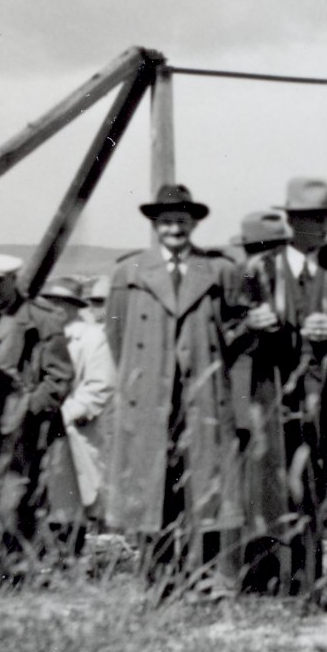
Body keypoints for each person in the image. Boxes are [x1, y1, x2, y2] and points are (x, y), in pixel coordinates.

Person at [234, 176, 327, 613]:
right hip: (280, 398)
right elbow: (229, 331)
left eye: (322, 217)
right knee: (290, 489)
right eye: (306, 218)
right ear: (290, 220)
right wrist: (252, 324)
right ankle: (300, 592)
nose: (316, 225)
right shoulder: (259, 271)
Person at [102, 184, 247, 596]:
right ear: (154, 226)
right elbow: (117, 335)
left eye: (182, 221)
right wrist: (141, 380)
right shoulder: (129, 274)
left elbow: (236, 331)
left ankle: (211, 578)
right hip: (150, 399)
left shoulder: (219, 271)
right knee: (153, 486)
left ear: (195, 223)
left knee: (207, 485)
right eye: (166, 221)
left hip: (202, 397)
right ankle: (157, 579)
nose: (174, 229)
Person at [0, 252, 74, 581]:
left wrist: (29, 410)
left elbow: (59, 377)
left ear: (15, 280)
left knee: (13, 500)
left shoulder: (42, 319)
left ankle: (12, 574)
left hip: (19, 431)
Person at [49, 274, 117, 531]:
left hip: (76, 427)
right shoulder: (45, 334)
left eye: (61, 302)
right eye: (50, 301)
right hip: (46, 427)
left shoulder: (92, 337)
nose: (55, 308)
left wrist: (65, 415)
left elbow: (99, 385)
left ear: (74, 306)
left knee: (86, 492)